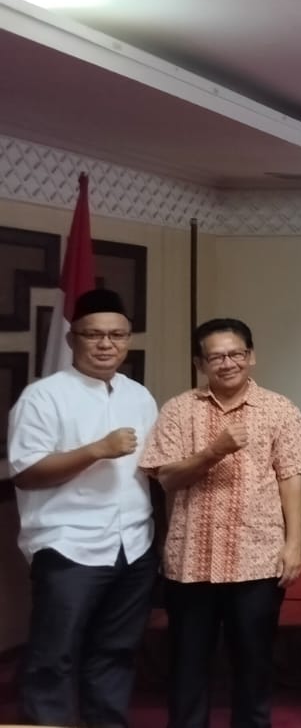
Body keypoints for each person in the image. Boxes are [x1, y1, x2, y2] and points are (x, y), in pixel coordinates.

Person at [139, 318, 301, 728]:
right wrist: (213, 451)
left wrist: (295, 544)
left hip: (256, 560)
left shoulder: (279, 409)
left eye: (236, 354)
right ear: (199, 363)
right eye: (216, 356)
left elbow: (292, 479)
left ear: (251, 356)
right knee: (188, 667)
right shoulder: (178, 409)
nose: (227, 363)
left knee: (255, 665)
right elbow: (166, 478)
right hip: (191, 562)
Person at [7, 289, 158, 728]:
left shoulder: (139, 396)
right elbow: (26, 473)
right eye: (94, 334)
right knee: (54, 655)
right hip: (68, 546)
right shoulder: (43, 397)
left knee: (116, 652)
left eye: (117, 335)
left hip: (134, 544)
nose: (106, 344)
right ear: (73, 339)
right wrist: (95, 450)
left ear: (128, 339)